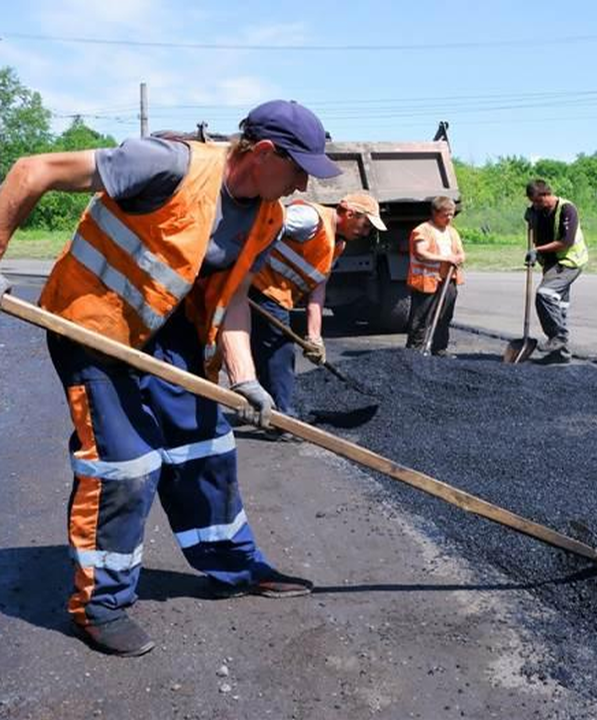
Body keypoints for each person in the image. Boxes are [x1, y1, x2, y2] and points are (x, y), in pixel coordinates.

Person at [0, 99, 342, 657]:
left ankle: (234, 566)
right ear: (261, 153)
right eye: (298, 166)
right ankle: (100, 605)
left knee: (208, 447)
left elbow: (231, 300)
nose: (304, 181)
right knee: (126, 465)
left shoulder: (268, 214)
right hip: (93, 325)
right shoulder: (166, 164)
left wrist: (245, 377)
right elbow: (30, 171)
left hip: (165, 331)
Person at [250, 191, 385, 419]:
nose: (365, 233)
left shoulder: (337, 243)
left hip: (276, 296)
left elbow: (317, 290)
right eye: (365, 225)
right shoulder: (309, 219)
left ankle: (262, 407)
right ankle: (283, 417)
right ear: (350, 213)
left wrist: (315, 337)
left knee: (264, 350)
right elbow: (262, 227)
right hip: (257, 286)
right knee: (280, 350)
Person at [523, 179, 588, 365]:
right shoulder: (538, 210)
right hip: (552, 263)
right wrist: (531, 218)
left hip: (570, 261)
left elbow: (566, 241)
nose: (534, 205)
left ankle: (558, 337)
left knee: (545, 295)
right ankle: (561, 355)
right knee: (559, 307)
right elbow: (538, 230)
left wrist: (538, 251)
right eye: (532, 202)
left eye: (536, 201)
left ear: (546, 195)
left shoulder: (567, 209)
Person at [405, 196, 466, 357]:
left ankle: (439, 349)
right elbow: (420, 252)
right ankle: (414, 351)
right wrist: (447, 259)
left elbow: (460, 252)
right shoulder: (422, 230)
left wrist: (459, 258)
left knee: (444, 317)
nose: (449, 218)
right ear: (435, 213)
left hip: (448, 280)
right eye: (445, 215)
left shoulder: (452, 231)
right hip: (428, 280)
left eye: (451, 214)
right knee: (421, 318)